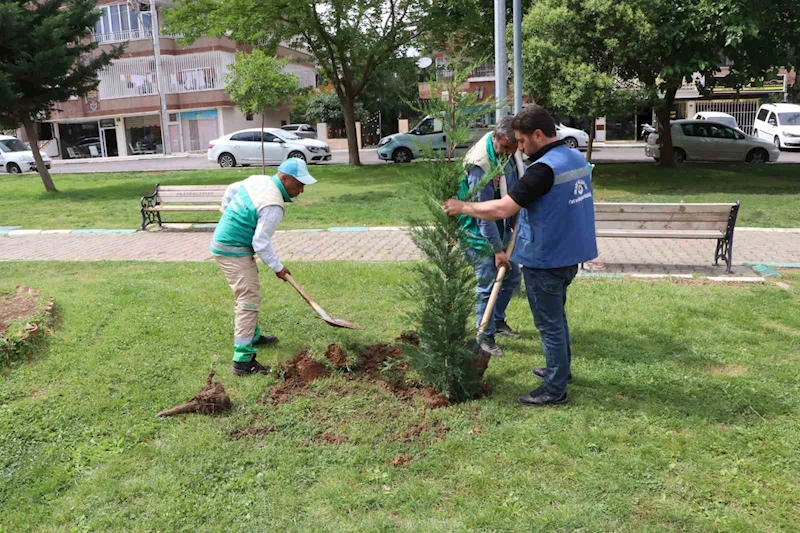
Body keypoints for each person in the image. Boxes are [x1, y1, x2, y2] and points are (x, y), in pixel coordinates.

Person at [443, 105, 598, 406]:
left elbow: (502, 208)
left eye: (523, 142)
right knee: (558, 316)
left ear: (538, 135)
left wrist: (463, 207)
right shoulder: (574, 156)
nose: (521, 149)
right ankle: (560, 371)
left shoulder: (543, 169)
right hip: (572, 253)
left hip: (547, 257)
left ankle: (554, 388)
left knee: (549, 323)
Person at [210, 159, 316, 376]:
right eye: (298, 184)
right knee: (248, 299)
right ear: (284, 178)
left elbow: (231, 189)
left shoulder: (259, 180)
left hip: (230, 245)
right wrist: (278, 267)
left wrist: (226, 212)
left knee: (249, 292)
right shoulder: (273, 205)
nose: (302, 190)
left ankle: (253, 336)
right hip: (233, 249)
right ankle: (243, 360)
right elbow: (261, 243)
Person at [460, 116, 523, 357]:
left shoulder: (510, 148)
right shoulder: (480, 165)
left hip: (502, 226)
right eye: (506, 147)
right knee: (488, 283)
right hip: (478, 232)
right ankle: (484, 335)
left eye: (514, 147)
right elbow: (482, 214)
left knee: (513, 274)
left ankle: (497, 320)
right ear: (495, 138)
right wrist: (497, 250)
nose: (511, 152)